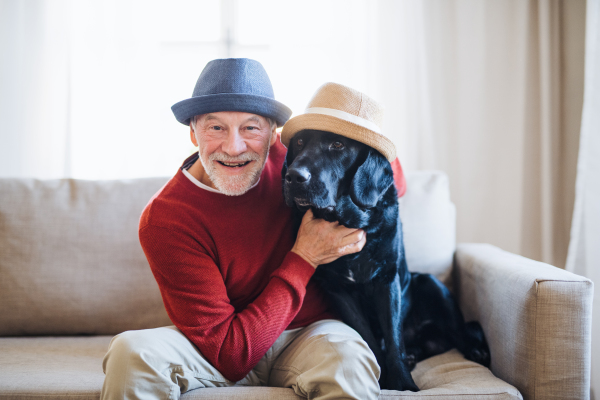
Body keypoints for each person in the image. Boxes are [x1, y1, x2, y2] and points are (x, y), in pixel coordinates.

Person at [100, 58, 381, 400]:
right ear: (193, 133)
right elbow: (231, 356)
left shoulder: (298, 162)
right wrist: (304, 257)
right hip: (215, 349)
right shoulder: (165, 219)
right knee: (131, 352)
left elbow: (386, 168)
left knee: (348, 359)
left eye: (251, 128)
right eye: (215, 128)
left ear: (275, 135)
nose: (233, 148)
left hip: (307, 334)